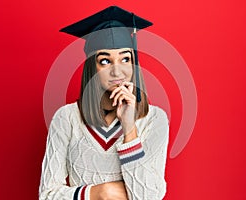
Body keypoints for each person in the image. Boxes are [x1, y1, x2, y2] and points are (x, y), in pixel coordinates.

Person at [39, 6, 169, 200]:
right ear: (92, 67)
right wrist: (99, 193)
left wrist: (129, 128)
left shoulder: (154, 119)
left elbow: (149, 197)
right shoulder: (67, 118)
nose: (117, 72)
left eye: (125, 58)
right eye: (105, 61)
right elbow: (47, 195)